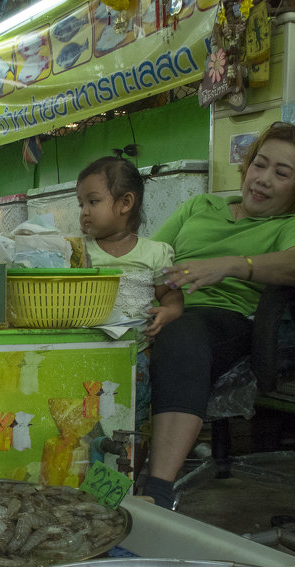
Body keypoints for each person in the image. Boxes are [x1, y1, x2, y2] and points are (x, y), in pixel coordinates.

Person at [138, 121, 295, 508]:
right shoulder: (201, 205)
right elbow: (151, 257)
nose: (263, 179)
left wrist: (232, 265)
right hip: (163, 308)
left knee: (184, 334)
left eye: (281, 173)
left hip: (223, 321)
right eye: (260, 165)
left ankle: (156, 492)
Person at [76, 155, 182, 433]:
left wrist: (169, 312)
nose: (84, 211)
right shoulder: (78, 251)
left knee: (131, 422)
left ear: (125, 203)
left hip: (136, 357)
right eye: (81, 204)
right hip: (85, 355)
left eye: (93, 201)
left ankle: (131, 473)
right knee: (86, 423)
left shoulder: (154, 253)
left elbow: (171, 298)